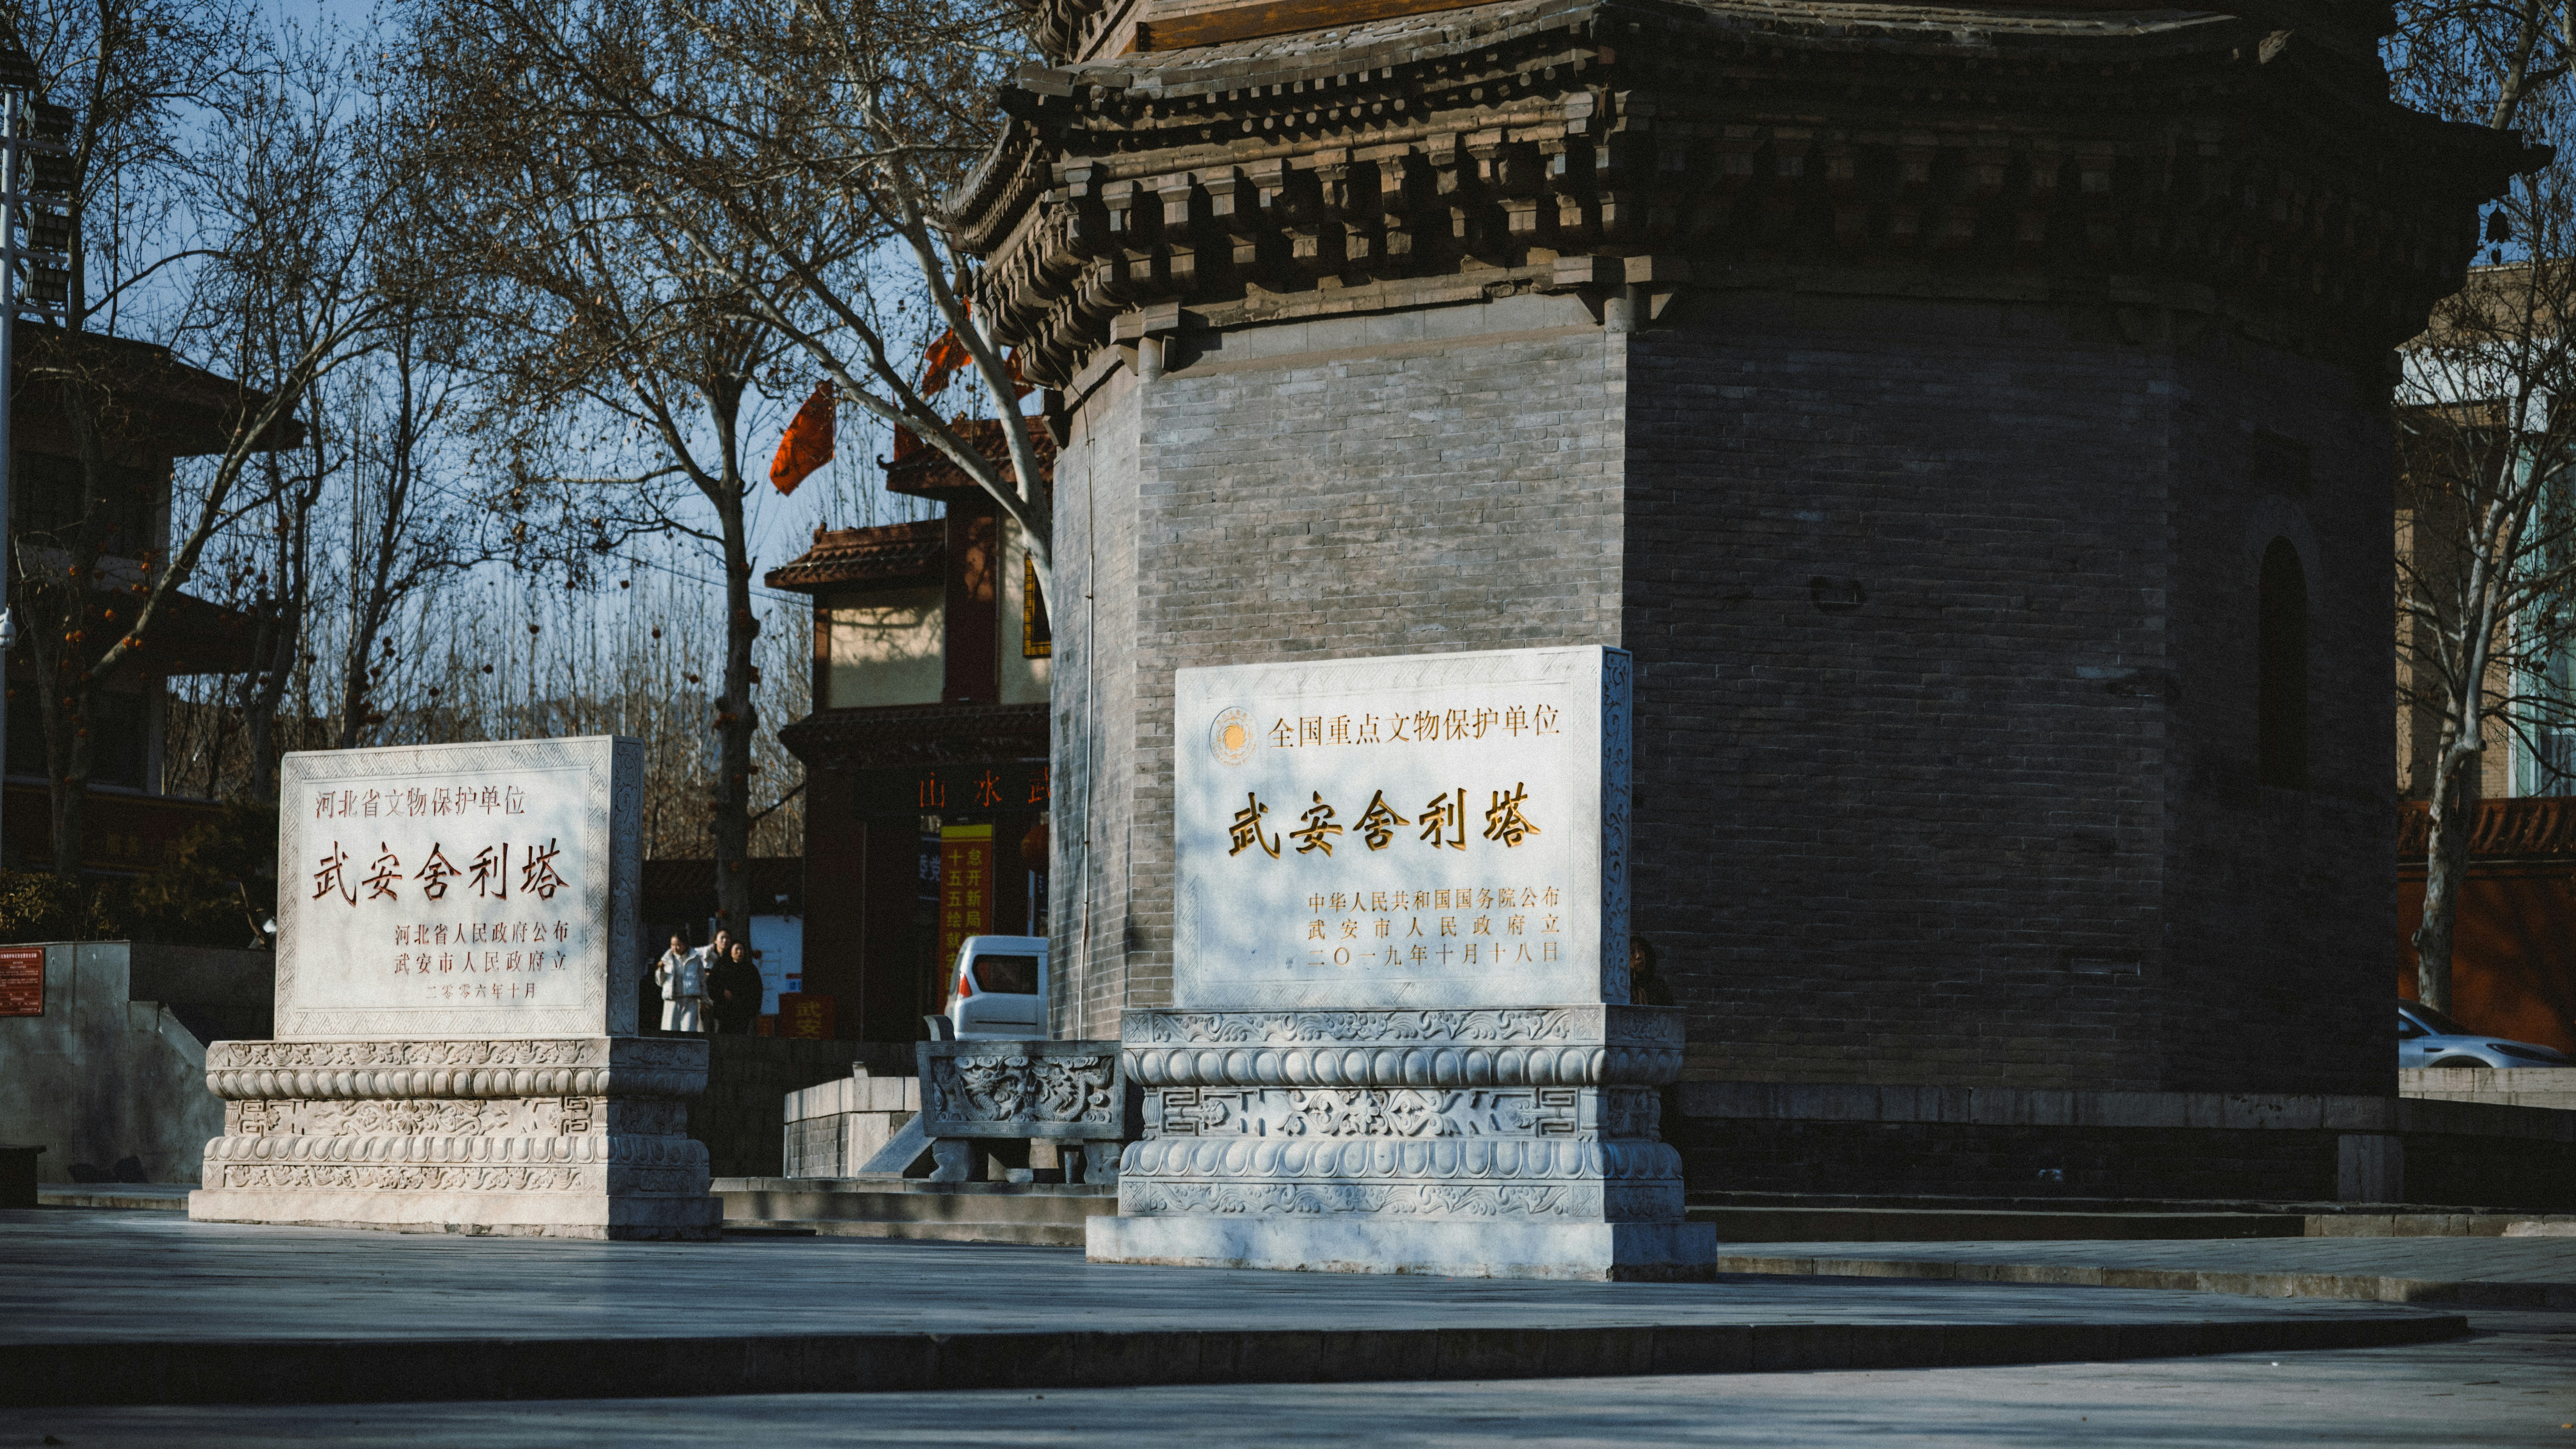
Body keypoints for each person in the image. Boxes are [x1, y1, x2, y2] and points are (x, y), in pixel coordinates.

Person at [655, 930, 710, 1034]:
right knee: (670, 1032)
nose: (675, 948)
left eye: (678, 945)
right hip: (672, 1001)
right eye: (673, 945)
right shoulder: (666, 959)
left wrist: (704, 1002)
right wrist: (661, 971)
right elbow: (660, 983)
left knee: (689, 1032)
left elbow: (702, 981)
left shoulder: (695, 958)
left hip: (690, 1001)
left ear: (685, 944)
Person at [710, 939, 764, 1035]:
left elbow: (758, 990)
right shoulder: (721, 966)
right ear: (731, 951)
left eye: (742, 950)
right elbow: (712, 984)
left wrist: (754, 1008)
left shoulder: (750, 969)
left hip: (743, 1012)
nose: (739, 952)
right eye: (737, 949)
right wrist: (722, 992)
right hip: (724, 1011)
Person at [1629, 935, 1675, 1007]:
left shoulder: (1659, 987)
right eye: (1632, 952)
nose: (1638, 956)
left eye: (1641, 950)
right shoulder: (1623, 988)